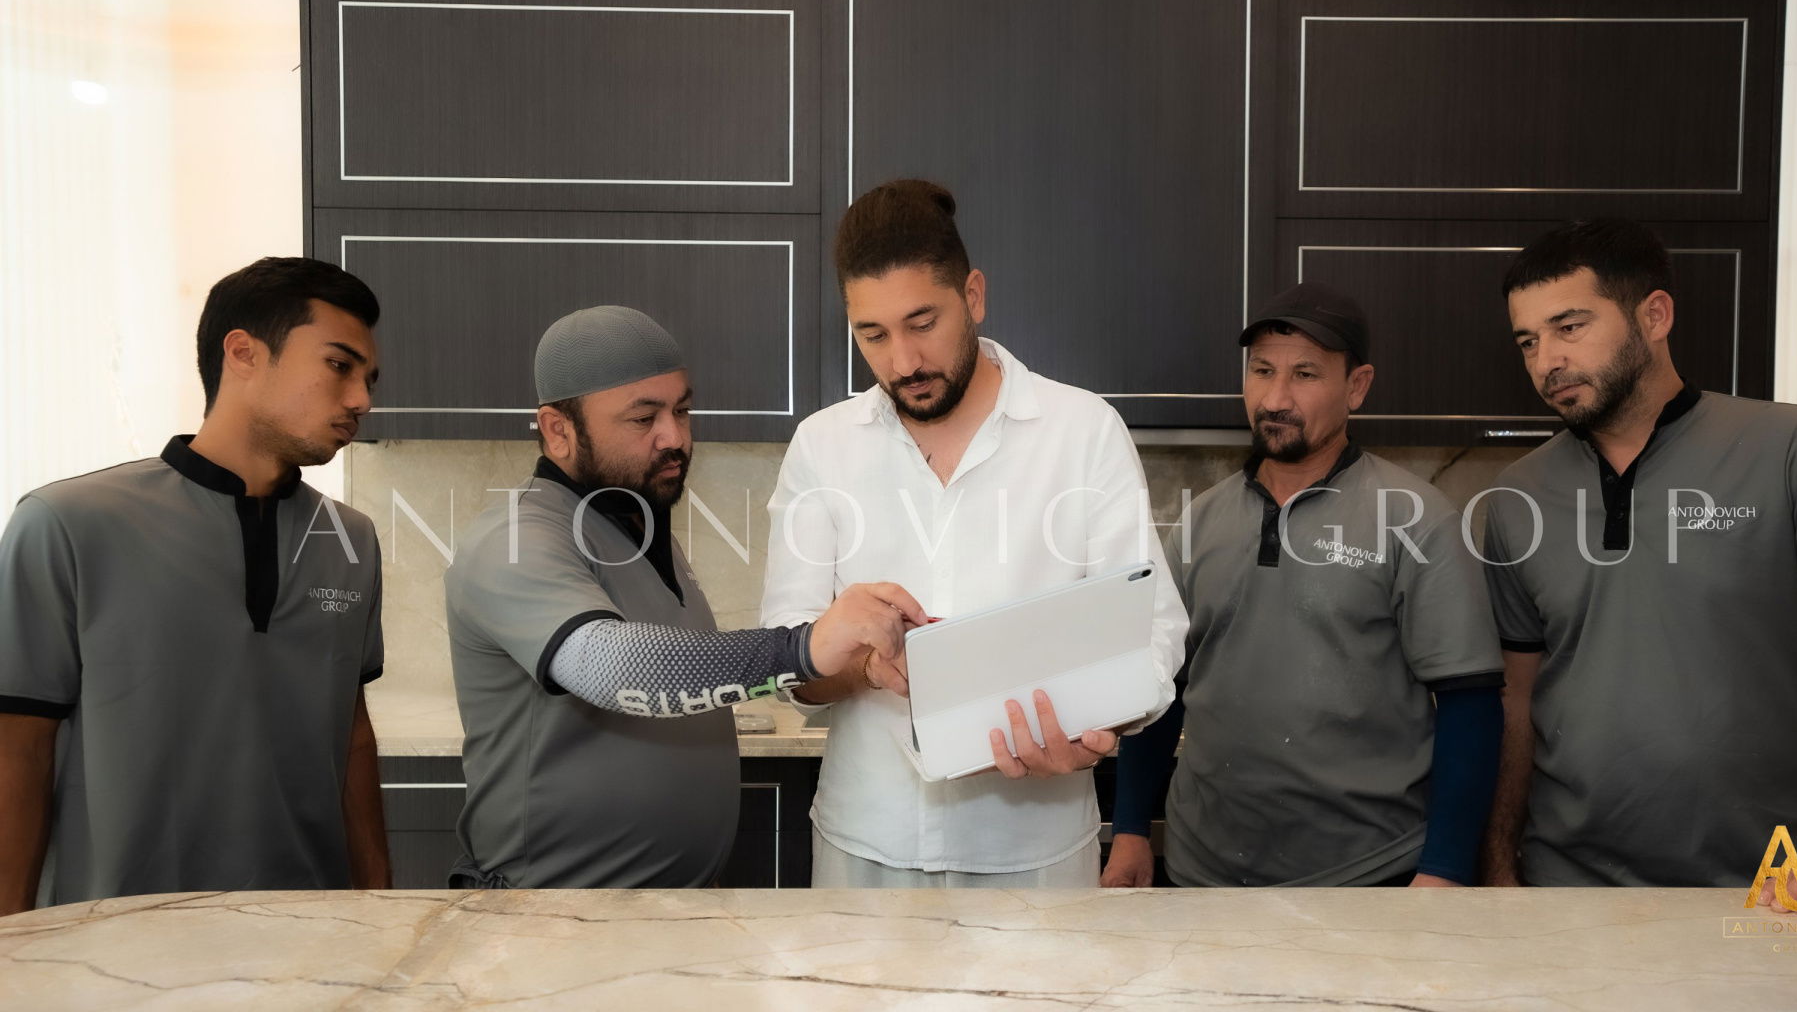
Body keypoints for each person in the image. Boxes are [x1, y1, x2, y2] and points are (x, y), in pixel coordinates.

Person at [1480, 219, 1797, 919]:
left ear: (1654, 316)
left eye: (1570, 327)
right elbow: (1516, 699)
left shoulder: (1793, 447)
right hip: (1566, 895)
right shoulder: (1514, 498)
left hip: (1773, 892)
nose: (1546, 362)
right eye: (1528, 341)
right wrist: (1499, 868)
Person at [760, 179, 1188, 888]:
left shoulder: (1083, 431)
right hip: (866, 848)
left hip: (1038, 855)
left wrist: (1096, 729)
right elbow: (785, 662)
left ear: (974, 296)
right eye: (873, 335)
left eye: (922, 322)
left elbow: (1153, 634)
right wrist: (861, 667)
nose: (903, 362)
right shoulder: (822, 446)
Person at [444, 305, 925, 889]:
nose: (674, 437)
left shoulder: (637, 527)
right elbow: (605, 664)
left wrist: (857, 669)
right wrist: (802, 648)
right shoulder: (517, 537)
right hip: (547, 914)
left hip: (665, 910)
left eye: (682, 410)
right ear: (557, 430)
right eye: (643, 418)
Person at [0, 257, 391, 913]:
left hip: (309, 936)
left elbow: (350, 735)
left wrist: (379, 907)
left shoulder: (350, 539)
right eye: (339, 365)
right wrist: (9, 944)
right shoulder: (66, 523)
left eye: (369, 378)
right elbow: (17, 748)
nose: (362, 400)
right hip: (116, 939)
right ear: (243, 353)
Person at [1106, 282, 1505, 888]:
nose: (1276, 398)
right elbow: (1160, 687)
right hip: (1203, 874)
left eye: (1306, 374)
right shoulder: (1201, 521)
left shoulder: (1417, 519)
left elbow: (1469, 704)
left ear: (1357, 387)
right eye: (1262, 371)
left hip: (1368, 879)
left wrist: (1445, 869)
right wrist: (1133, 828)